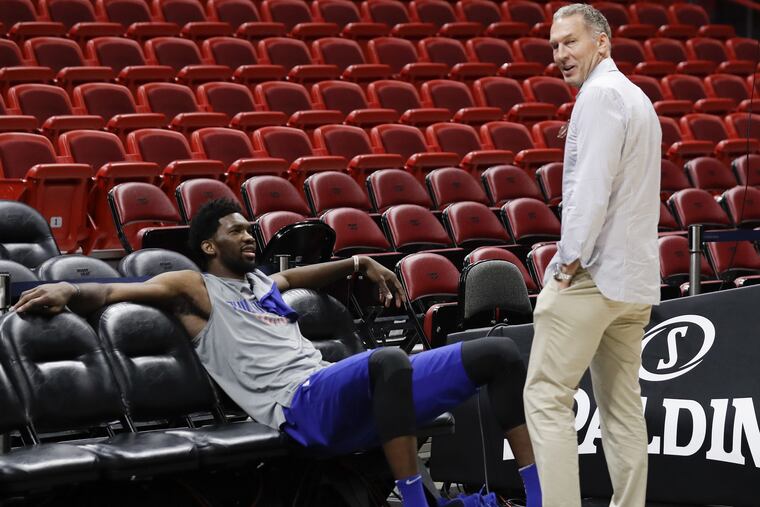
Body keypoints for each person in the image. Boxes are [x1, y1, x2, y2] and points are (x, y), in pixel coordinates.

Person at [14, 198, 542, 507]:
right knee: (389, 361)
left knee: (497, 355)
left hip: (341, 392)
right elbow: (114, 292)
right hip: (299, 408)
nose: (250, 236)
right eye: (236, 231)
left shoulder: (263, 283)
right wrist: (68, 291)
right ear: (207, 247)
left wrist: (358, 262)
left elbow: (300, 275)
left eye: (250, 229)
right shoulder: (195, 287)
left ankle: (539, 496)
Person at [522, 4, 661, 507]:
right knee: (623, 410)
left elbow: (591, 194)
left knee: (545, 398)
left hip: (591, 279)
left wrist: (564, 264)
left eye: (570, 42)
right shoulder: (633, 97)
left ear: (602, 42)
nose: (560, 54)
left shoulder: (599, 97)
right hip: (634, 284)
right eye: (555, 46)